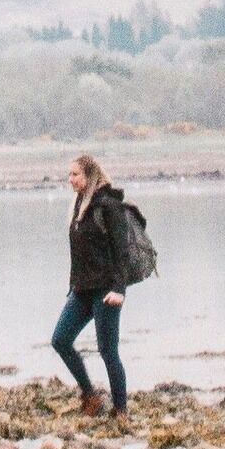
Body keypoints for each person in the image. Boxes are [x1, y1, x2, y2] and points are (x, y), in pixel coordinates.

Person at [53, 149, 132, 415]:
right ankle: (90, 395)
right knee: (60, 340)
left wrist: (119, 290)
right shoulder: (79, 204)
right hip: (82, 289)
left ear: (88, 176)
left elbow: (122, 251)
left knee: (108, 351)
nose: (70, 179)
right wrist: (74, 285)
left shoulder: (108, 205)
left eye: (75, 174)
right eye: (69, 174)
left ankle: (121, 411)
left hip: (106, 290)